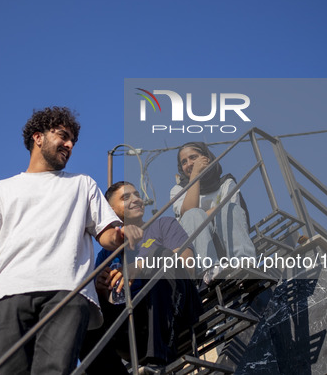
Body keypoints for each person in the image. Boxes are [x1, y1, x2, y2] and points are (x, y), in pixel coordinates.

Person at [0, 106, 124, 375]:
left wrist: (120, 235)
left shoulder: (82, 185)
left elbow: (106, 234)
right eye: (63, 135)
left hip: (67, 292)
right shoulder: (0, 190)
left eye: (72, 139)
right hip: (8, 294)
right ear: (38, 138)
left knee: (52, 371)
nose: (70, 144)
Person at [80, 181, 203, 374]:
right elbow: (106, 301)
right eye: (126, 197)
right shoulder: (107, 254)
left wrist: (139, 267)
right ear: (110, 210)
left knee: (161, 256)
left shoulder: (163, 224)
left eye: (137, 195)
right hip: (135, 326)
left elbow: (187, 267)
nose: (136, 199)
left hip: (177, 313)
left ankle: (158, 360)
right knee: (82, 311)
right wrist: (101, 289)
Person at [170, 142, 256, 280]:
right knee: (193, 214)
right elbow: (189, 212)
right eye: (184, 162)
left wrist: (203, 216)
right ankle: (210, 269)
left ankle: (244, 262)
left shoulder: (226, 183)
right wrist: (195, 176)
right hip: (199, 250)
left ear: (206, 158)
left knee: (229, 208)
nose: (189, 163)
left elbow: (231, 211)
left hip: (227, 240)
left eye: (193, 157)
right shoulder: (178, 190)